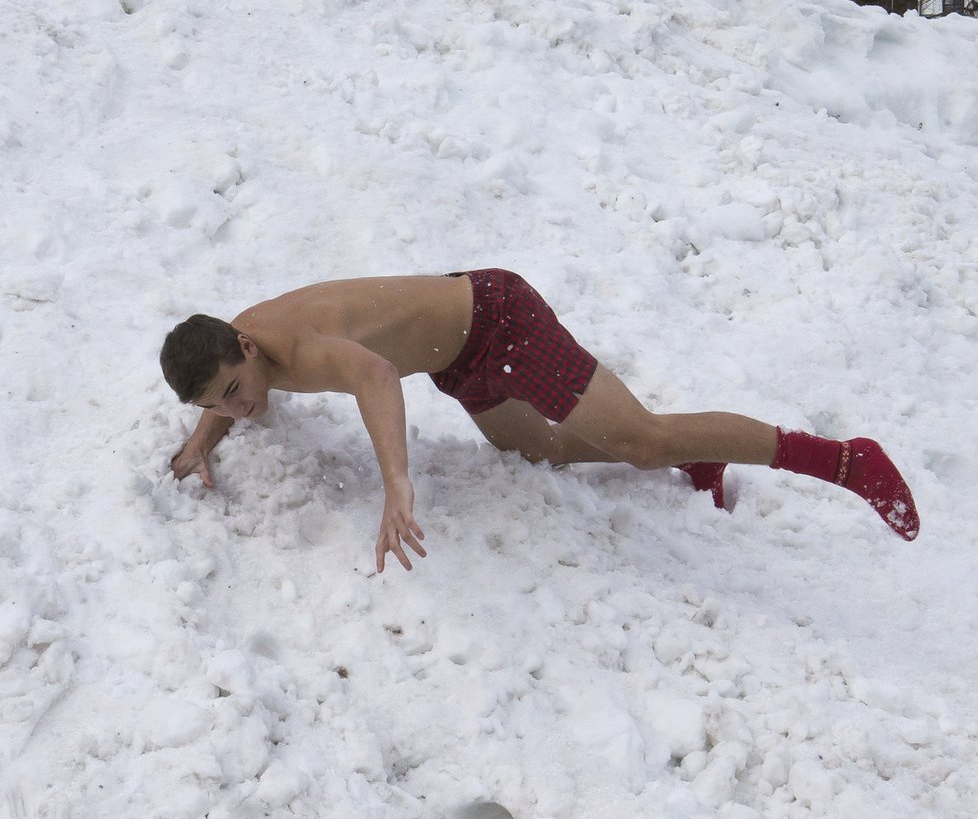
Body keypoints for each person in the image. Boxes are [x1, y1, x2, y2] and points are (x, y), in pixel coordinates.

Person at [160, 269, 920, 572]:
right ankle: (702, 459)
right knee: (546, 459)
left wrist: (397, 484)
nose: (239, 408)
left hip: (499, 320)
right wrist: (203, 437)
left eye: (234, 389)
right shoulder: (235, 354)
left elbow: (378, 376)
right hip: (459, 362)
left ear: (249, 347)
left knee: (639, 440)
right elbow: (229, 389)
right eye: (218, 403)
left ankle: (844, 460)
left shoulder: (299, 349)